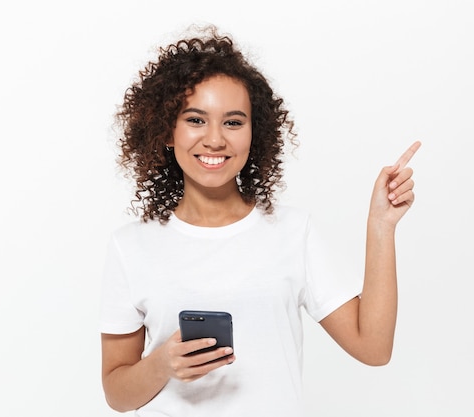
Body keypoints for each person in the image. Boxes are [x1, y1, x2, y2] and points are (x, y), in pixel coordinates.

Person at [99, 25, 420, 417]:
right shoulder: (131, 246)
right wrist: (163, 364)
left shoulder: (292, 233)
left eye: (233, 122)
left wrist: (381, 226)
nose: (215, 139)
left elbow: (373, 348)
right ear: (167, 130)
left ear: (255, 133)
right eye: (196, 120)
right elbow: (117, 394)